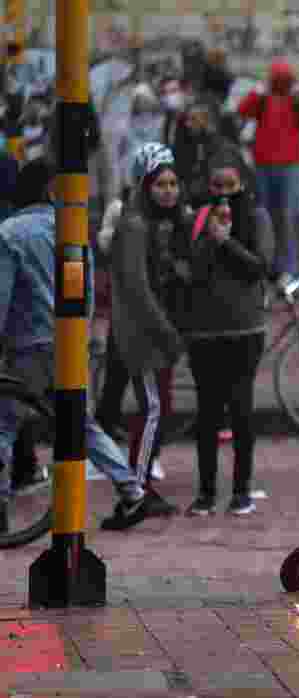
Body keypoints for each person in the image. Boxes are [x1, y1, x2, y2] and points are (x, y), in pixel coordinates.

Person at [0, 158, 162, 532]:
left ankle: (1, 504)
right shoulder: (71, 229)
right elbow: (83, 289)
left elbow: (3, 295)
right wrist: (85, 335)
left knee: (5, 425)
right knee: (79, 423)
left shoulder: (9, 233)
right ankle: (132, 491)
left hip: (27, 345)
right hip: (68, 341)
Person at [179, 147, 274, 516]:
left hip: (244, 329)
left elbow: (260, 266)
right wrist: (207, 237)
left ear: (242, 184)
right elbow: (193, 270)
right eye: (216, 186)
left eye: (229, 186)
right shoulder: (199, 218)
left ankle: (241, 491)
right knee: (207, 415)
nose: (222, 193)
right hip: (204, 331)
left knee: (240, 411)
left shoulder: (257, 216)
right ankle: (205, 493)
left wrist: (227, 240)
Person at [109, 143, 190, 514]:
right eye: (160, 184)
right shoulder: (135, 224)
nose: (169, 191)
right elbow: (137, 289)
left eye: (173, 183)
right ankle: (136, 490)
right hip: (143, 335)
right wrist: (168, 334)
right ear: (145, 185)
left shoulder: (161, 223)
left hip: (155, 333)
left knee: (158, 410)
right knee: (153, 410)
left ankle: (139, 484)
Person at [237, 58, 299, 277]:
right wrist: (258, 91)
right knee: (267, 218)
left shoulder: (297, 101)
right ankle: (269, 265)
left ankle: (288, 268)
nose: (280, 84)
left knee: (287, 217)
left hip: (288, 166)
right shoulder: (263, 100)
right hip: (264, 166)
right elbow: (242, 109)